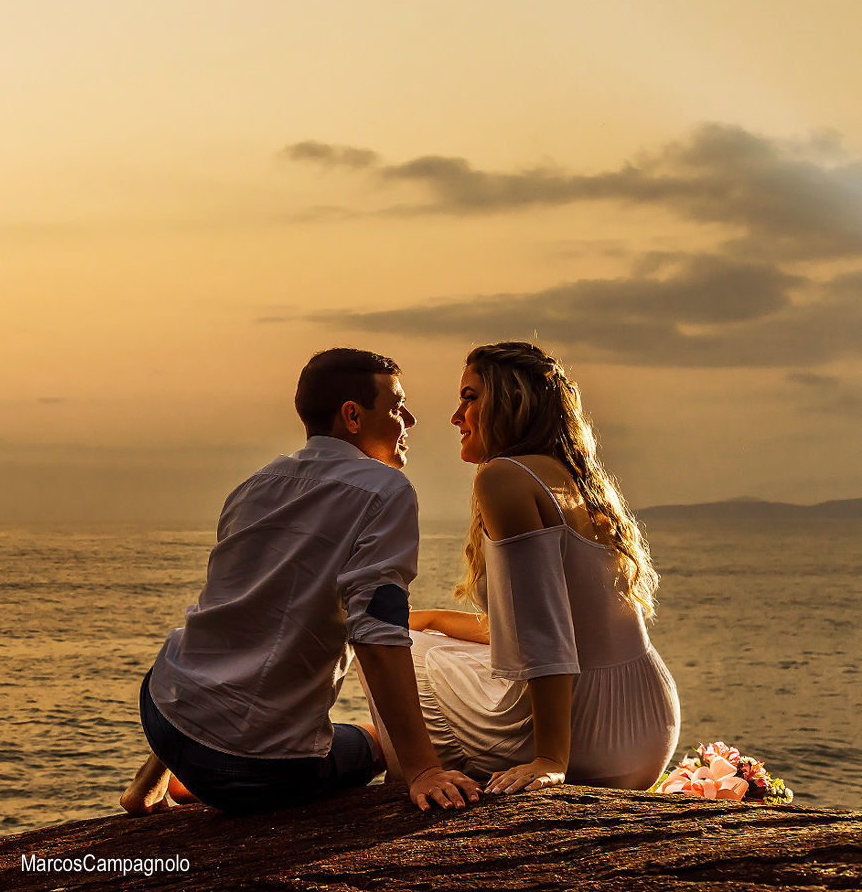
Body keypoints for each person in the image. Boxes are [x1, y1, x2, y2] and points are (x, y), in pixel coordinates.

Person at [119, 349, 482, 816]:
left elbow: (232, 607)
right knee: (373, 743)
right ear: (352, 416)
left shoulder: (256, 484)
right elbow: (376, 629)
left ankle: (147, 788)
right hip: (256, 769)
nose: (409, 418)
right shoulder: (386, 491)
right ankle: (204, 781)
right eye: (396, 406)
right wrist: (423, 769)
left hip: (162, 711)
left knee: (215, 644)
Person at [391, 341, 680, 795]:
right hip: (647, 724)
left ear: (512, 402)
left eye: (469, 397)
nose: (455, 416)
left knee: (395, 644)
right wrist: (427, 619)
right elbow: (524, 627)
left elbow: (544, 630)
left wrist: (550, 760)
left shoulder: (504, 477)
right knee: (421, 633)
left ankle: (409, 778)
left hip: (589, 737)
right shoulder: (574, 480)